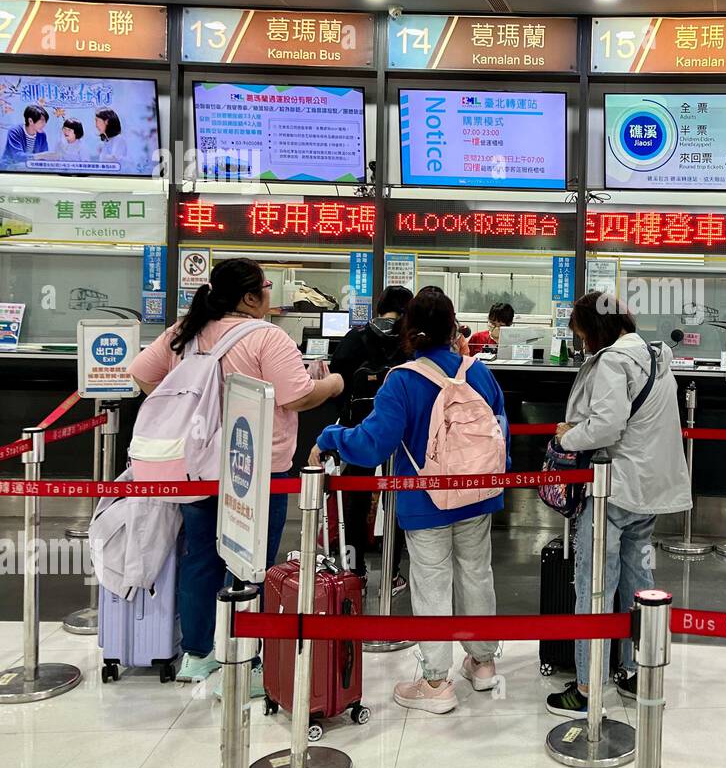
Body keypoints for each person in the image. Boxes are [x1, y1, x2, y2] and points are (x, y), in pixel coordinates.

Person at [128, 257, 345, 689]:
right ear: (250, 296)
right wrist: (335, 383)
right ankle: (248, 657)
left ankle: (198, 654)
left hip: (195, 468)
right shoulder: (267, 337)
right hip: (257, 469)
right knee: (253, 563)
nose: (269, 293)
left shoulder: (183, 331)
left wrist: (189, 408)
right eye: (266, 286)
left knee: (201, 559)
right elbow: (297, 396)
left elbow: (140, 375)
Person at [312, 286, 508, 714]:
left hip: (426, 500)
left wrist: (330, 437)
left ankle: (436, 683)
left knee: (432, 582)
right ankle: (483, 663)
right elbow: (500, 431)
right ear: (453, 326)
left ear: (408, 330)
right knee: (477, 573)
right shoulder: (480, 373)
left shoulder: (402, 379)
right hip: (479, 494)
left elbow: (372, 445)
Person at [545, 291, 690, 717]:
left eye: (582, 334)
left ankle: (589, 687)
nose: (581, 343)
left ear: (596, 330)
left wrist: (565, 435)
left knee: (594, 584)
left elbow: (606, 427)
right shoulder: (655, 356)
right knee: (638, 581)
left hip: (613, 488)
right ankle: (632, 670)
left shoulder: (613, 362)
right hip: (647, 491)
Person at [328, 285, 413, 588]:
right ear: (406, 311)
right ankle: (391, 572)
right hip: (400, 433)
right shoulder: (407, 342)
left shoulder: (356, 337)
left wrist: (349, 417)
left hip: (359, 429)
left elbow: (336, 380)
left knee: (357, 498)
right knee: (395, 497)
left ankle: (354, 571)